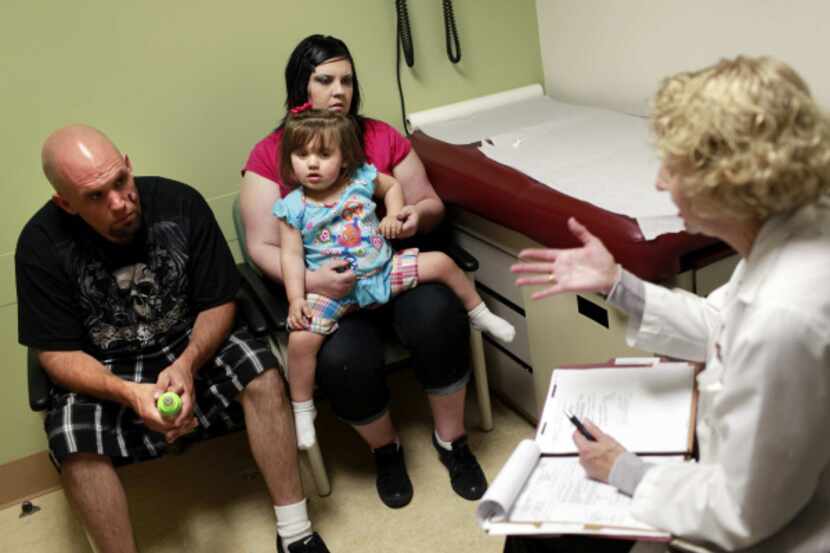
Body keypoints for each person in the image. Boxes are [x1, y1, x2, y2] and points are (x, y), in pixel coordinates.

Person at [509, 56, 830, 552]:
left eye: (672, 166)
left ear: (727, 178)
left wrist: (628, 471)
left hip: (768, 532)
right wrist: (619, 283)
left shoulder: (784, 313)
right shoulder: (794, 233)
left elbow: (743, 513)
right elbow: (723, 323)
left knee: (535, 537)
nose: (659, 182)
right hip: (754, 487)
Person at [16, 125, 332, 553]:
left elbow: (220, 302)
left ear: (128, 165)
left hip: (186, 340)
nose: (119, 202)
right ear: (64, 203)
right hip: (103, 363)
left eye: (121, 181)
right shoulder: (39, 245)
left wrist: (186, 363)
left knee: (262, 373)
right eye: (95, 197)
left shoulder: (180, 203)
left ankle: (295, 530)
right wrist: (129, 394)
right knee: (70, 437)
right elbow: (56, 353)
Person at [240, 34, 489, 508]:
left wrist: (417, 216)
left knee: (439, 316)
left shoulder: (378, 136)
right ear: (301, 85)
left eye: (347, 80)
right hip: (331, 288)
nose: (339, 91)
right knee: (341, 359)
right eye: (325, 79)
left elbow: (428, 201)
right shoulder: (272, 153)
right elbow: (262, 246)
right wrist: (313, 283)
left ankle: (452, 441)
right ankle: (386, 450)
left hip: (389, 267)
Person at [275, 107, 515, 449]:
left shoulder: (360, 179)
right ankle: (302, 410)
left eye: (323, 154)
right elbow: (291, 256)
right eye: (302, 155)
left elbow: (392, 187)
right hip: (337, 292)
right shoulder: (292, 206)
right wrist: (297, 297)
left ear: (343, 159)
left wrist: (396, 211)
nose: (311, 163)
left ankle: (480, 315)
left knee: (443, 264)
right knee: (300, 342)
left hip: (384, 272)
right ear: (290, 159)